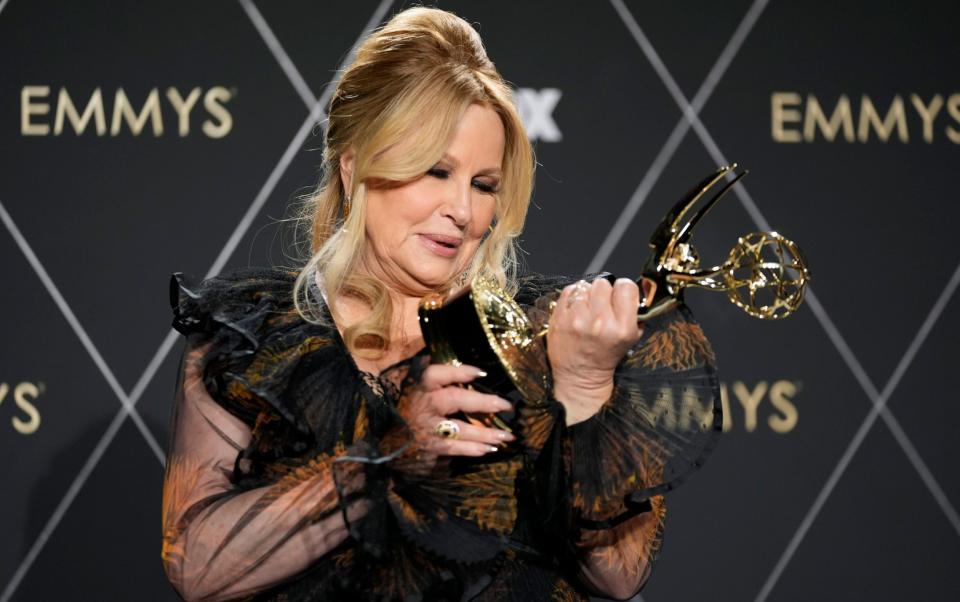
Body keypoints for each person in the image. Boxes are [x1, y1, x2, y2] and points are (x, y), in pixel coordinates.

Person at [161, 6, 721, 601]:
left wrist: (581, 397)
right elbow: (196, 568)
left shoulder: (548, 338)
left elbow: (620, 576)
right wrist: (386, 458)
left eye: (483, 185)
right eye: (435, 171)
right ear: (354, 171)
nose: (462, 210)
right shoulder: (250, 343)